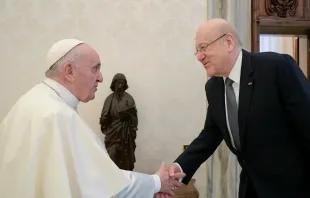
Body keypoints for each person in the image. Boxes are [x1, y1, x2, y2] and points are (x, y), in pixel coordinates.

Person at [0, 39, 185, 198]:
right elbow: (104, 187)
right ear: (69, 71)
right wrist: (157, 183)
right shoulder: (58, 115)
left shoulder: (30, 101)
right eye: (95, 69)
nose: (101, 78)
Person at [160, 18, 310, 198]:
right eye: (197, 51)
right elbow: (210, 135)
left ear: (229, 42)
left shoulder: (276, 68)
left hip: (293, 189)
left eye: (204, 47)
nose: (200, 56)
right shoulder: (214, 87)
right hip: (251, 190)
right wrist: (179, 167)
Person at [100, 73, 138, 171]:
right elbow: (104, 117)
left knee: (126, 160)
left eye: (121, 83)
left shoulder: (129, 99)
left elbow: (134, 117)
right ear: (114, 84)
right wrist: (104, 120)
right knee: (112, 157)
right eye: (117, 83)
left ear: (124, 85)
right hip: (113, 134)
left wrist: (129, 118)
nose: (119, 86)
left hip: (126, 134)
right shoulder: (109, 99)